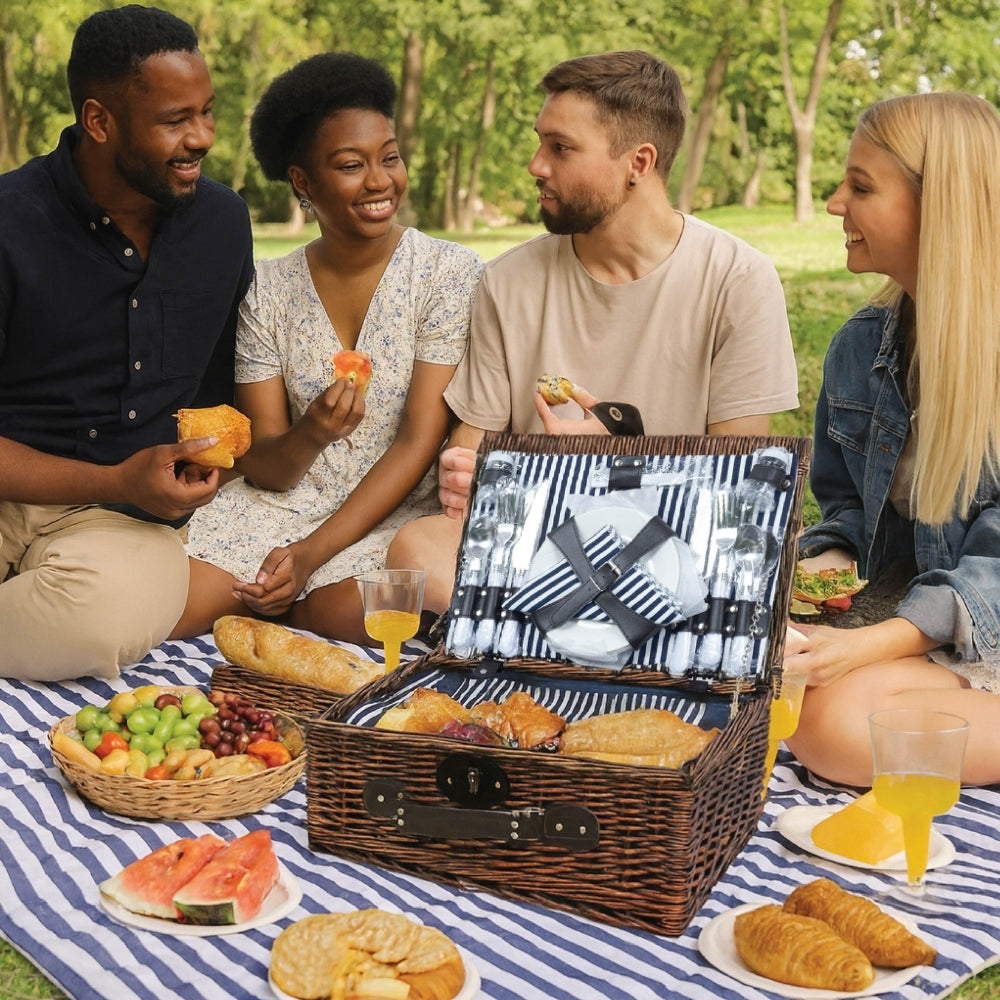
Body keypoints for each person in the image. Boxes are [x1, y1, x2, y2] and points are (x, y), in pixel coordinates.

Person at [388, 49, 799, 612]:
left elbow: (740, 495)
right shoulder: (506, 281)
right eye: (540, 143)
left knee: (730, 568)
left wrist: (612, 474)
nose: (536, 165)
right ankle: (609, 640)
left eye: (561, 148)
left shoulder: (738, 279)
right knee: (418, 546)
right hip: (536, 547)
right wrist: (467, 473)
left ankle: (545, 637)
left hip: (671, 550)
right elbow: (469, 461)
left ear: (639, 162)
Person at [176, 52, 483, 645]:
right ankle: (271, 606)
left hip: (393, 512)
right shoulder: (269, 290)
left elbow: (421, 439)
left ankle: (285, 608)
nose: (379, 181)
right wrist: (312, 431)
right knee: (180, 609)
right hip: (283, 504)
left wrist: (311, 555)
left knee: (345, 616)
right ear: (302, 181)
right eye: (351, 164)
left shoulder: (447, 274)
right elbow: (264, 461)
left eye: (389, 157)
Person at [0, 5, 254, 681]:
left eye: (206, 111)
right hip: (13, 485)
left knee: (104, 620)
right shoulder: (8, 223)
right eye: (177, 120)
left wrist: (203, 462)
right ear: (99, 121)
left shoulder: (223, 224)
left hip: (120, 522)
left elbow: (215, 394)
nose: (202, 136)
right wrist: (113, 477)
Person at [784, 92, 1000, 787]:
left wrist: (876, 644)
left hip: (979, 621)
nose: (834, 203)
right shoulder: (861, 347)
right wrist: (828, 566)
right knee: (778, 696)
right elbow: (846, 504)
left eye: (861, 186)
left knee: (833, 730)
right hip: (943, 627)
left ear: (936, 206)